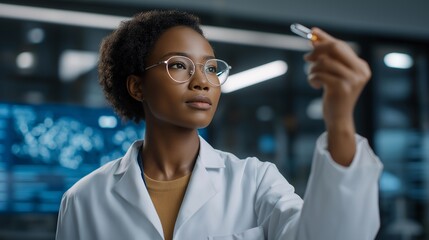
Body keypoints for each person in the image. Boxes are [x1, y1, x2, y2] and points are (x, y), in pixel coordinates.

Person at [55, 10, 383, 240]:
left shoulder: (255, 181)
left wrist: (339, 118)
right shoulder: (84, 200)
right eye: (180, 65)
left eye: (211, 68)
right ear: (137, 87)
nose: (203, 81)